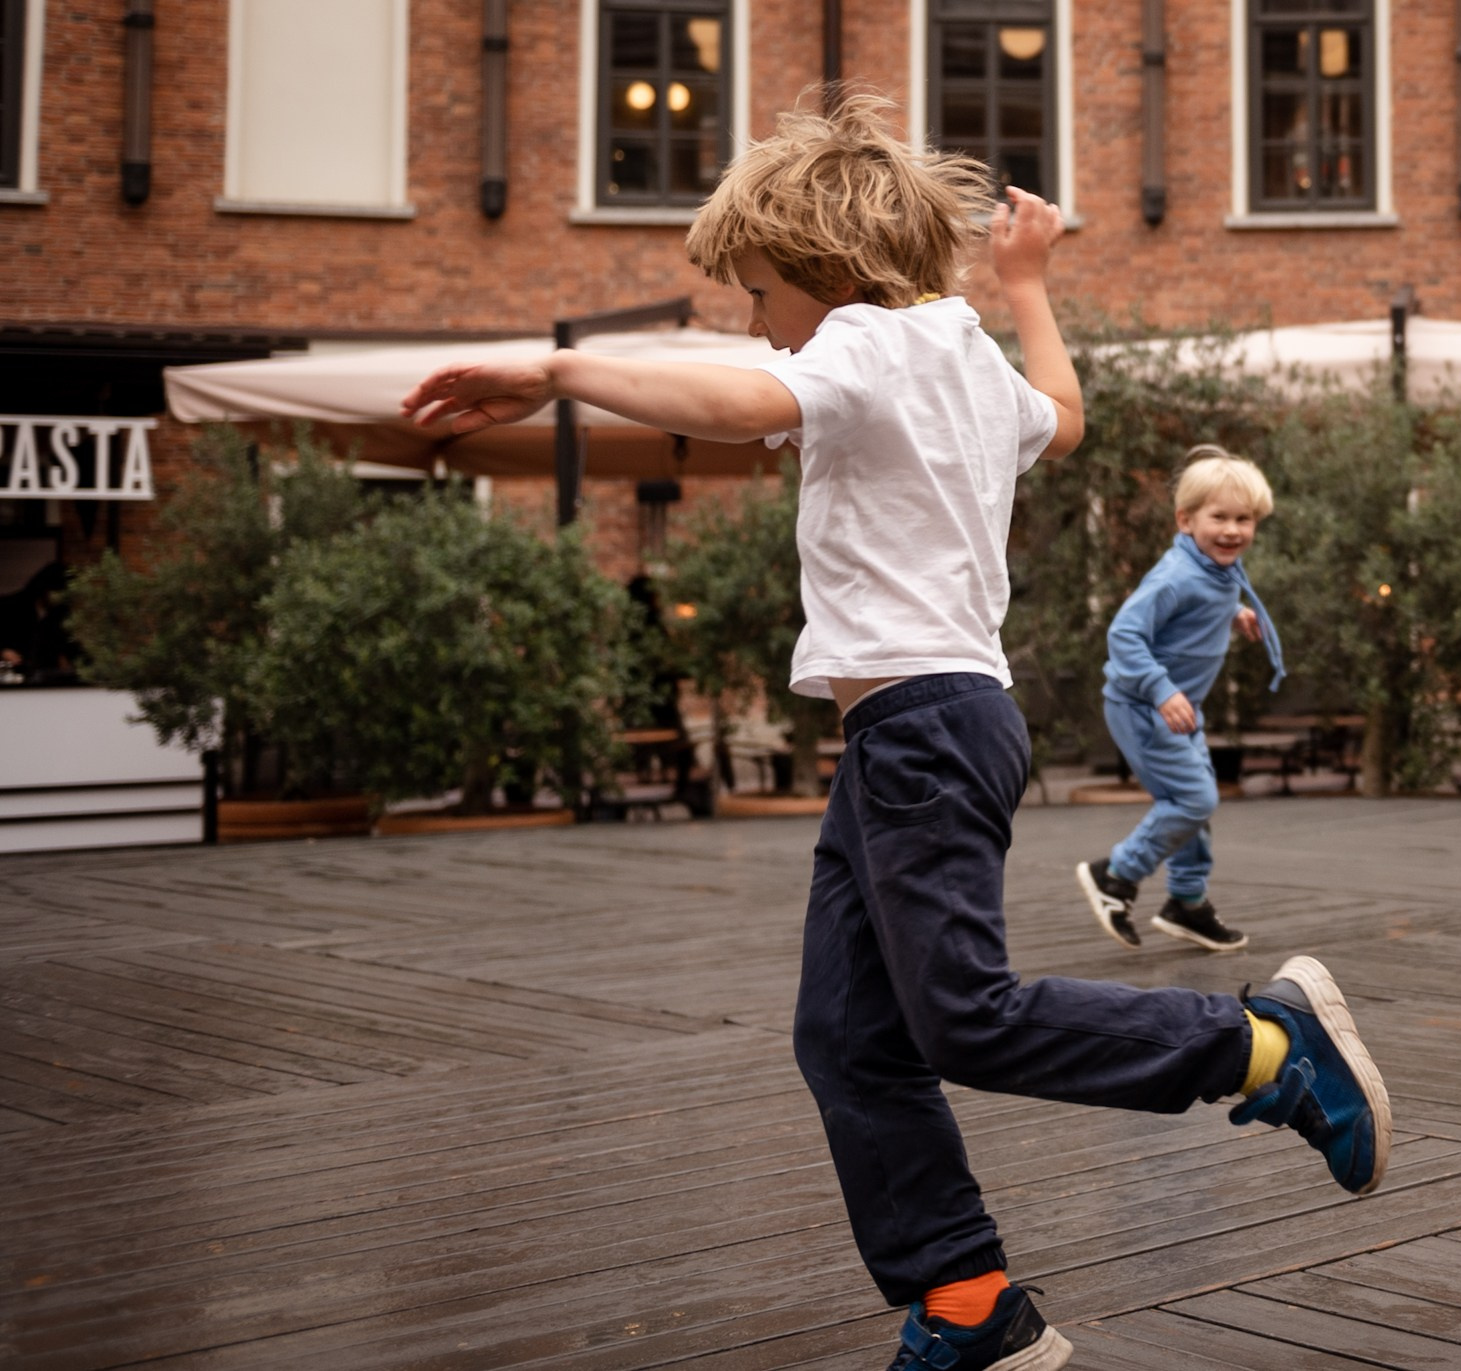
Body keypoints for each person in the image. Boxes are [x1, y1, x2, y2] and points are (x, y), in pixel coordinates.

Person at [400, 94, 1389, 1371]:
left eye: (756, 290)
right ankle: (966, 1299)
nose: (755, 322)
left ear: (819, 270)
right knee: (849, 1037)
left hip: (922, 725)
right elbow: (1064, 418)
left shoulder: (863, 348)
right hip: (915, 733)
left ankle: (1261, 1048)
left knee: (963, 1017)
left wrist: (552, 370)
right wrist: (1026, 283)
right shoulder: (963, 357)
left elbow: (723, 393)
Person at [1076, 447, 1284, 954]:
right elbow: (1125, 633)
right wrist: (1161, 690)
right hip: (1145, 707)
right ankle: (1116, 876)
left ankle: (1187, 903)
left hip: (1178, 709)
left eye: (1245, 519)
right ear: (1186, 520)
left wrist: (1233, 616)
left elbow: (1194, 610)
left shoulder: (1213, 572)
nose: (1233, 530)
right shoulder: (1177, 575)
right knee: (1194, 799)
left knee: (1192, 805)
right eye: (1220, 517)